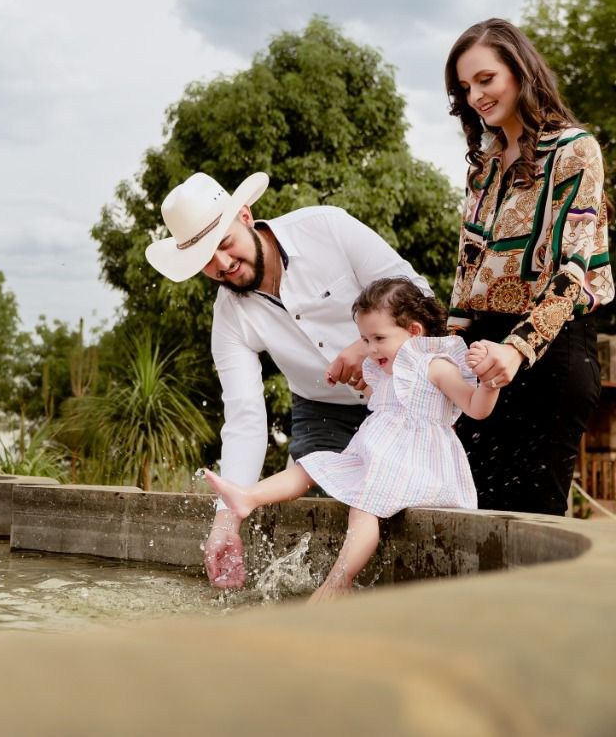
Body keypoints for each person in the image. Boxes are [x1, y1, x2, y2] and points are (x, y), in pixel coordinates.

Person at [144, 172, 431, 589]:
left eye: (224, 244)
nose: (222, 265)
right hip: (322, 416)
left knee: (413, 513)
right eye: (206, 261)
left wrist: (363, 346)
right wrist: (226, 521)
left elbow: (419, 294)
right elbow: (244, 419)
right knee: (318, 536)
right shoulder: (228, 317)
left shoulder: (327, 227)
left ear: (246, 215)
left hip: (401, 395)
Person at [200, 277, 495, 602]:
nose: (370, 348)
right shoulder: (385, 371)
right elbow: (384, 400)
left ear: (414, 331)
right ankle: (248, 497)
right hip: (377, 456)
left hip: (418, 465)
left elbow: (475, 408)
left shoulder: (435, 366)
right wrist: (355, 384)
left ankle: (340, 579)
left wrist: (489, 383)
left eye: (379, 338)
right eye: (365, 339)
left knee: (363, 508)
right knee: (313, 465)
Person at [443, 17, 615, 516]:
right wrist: (447, 350)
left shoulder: (575, 150)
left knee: (530, 525)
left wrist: (518, 350)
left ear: (520, 72)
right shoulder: (483, 166)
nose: (475, 96)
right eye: (464, 87)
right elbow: (466, 274)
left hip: (551, 351)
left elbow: (572, 270)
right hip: (481, 355)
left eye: (485, 79)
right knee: (471, 516)